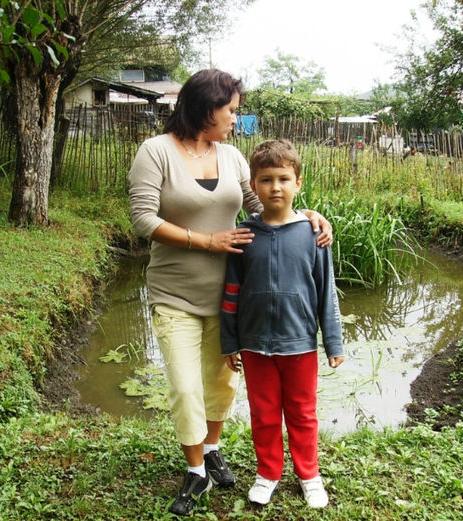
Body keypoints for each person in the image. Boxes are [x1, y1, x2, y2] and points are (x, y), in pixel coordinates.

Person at [128, 70, 333, 516]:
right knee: (185, 388)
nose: (236, 120)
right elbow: (144, 218)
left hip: (231, 296)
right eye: (232, 111)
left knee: (221, 384)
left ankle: (214, 446)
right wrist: (208, 241)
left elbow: (265, 208)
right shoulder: (155, 152)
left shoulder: (233, 157)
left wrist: (310, 217)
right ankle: (196, 470)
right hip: (175, 292)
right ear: (207, 109)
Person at [220, 139, 345, 509]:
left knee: (303, 414)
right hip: (254, 345)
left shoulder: (313, 234)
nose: (276, 187)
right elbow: (230, 293)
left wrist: (333, 343)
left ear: (298, 183)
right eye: (266, 179)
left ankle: (309, 474)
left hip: (300, 345)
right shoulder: (244, 235)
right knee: (263, 413)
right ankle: (268, 473)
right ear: (254, 186)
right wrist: (230, 342)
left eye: (284, 179)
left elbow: (327, 293)